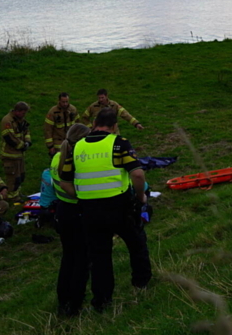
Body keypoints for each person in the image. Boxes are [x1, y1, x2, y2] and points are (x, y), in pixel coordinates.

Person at [60, 109, 151, 312]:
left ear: (93, 123)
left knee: (100, 257)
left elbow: (65, 181)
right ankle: (141, 283)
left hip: (90, 211)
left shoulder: (77, 147)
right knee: (136, 244)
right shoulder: (119, 143)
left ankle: (102, 300)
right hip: (120, 206)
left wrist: (82, 196)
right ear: (114, 125)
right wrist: (141, 197)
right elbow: (137, 174)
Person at [52, 123, 92, 317]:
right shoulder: (79, 162)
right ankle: (75, 304)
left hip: (62, 211)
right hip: (78, 212)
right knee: (82, 260)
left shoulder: (56, 158)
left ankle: (63, 300)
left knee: (68, 257)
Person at [0, 101, 32, 202]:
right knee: (13, 177)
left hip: (19, 155)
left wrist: (27, 141)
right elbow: (9, 137)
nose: (24, 115)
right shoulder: (7, 121)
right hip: (9, 154)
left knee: (20, 176)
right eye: (23, 113)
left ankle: (17, 193)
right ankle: (12, 197)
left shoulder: (20, 119)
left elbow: (26, 131)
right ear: (17, 111)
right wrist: (22, 146)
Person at [80, 89, 145, 131]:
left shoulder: (114, 105)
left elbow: (126, 115)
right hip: (99, 133)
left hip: (113, 132)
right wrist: (91, 128)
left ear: (106, 96)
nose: (100, 100)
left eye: (102, 98)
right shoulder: (93, 106)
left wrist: (136, 124)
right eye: (99, 98)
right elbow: (84, 117)